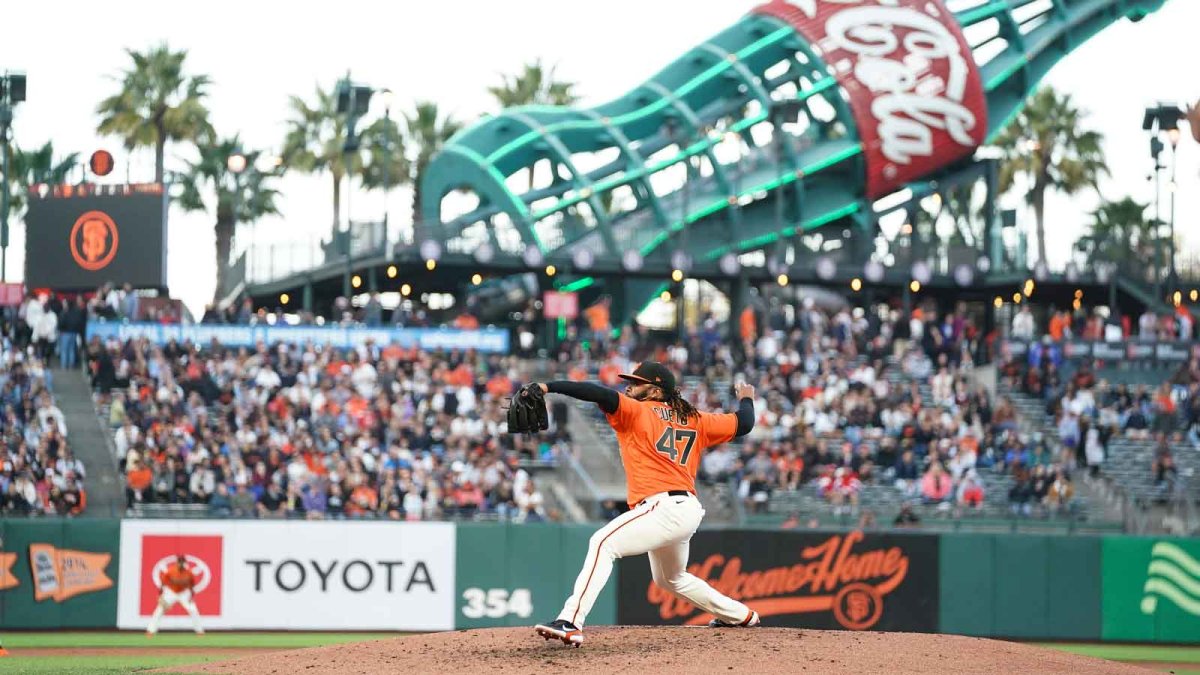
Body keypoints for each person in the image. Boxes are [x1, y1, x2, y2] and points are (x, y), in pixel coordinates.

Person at [525, 361, 759, 647]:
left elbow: (596, 393)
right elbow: (745, 422)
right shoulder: (696, 419)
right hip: (685, 508)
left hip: (663, 507)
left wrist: (550, 386)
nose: (629, 387)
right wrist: (746, 396)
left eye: (637, 383)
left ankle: (571, 620)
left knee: (602, 543)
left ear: (656, 389)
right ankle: (740, 615)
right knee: (670, 579)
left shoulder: (636, 410)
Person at [146, 555, 204, 636]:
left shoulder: (189, 573)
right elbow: (163, 583)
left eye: (182, 562)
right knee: (159, 610)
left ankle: (199, 631)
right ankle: (151, 631)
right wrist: (160, 595)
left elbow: (192, 586)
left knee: (193, 609)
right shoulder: (171, 571)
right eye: (179, 562)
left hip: (184, 593)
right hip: (171, 592)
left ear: (185, 563)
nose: (181, 564)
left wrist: (191, 597)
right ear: (177, 563)